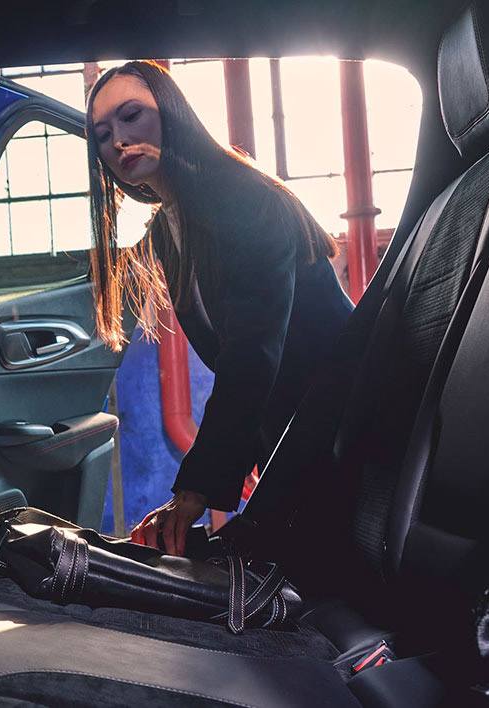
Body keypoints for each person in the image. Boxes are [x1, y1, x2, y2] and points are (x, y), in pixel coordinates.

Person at [85, 60, 353, 555]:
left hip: (348, 429)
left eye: (131, 115)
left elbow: (253, 355)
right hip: (296, 434)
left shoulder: (243, 196)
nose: (118, 140)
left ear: (172, 113)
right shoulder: (169, 229)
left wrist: (195, 492)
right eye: (103, 133)